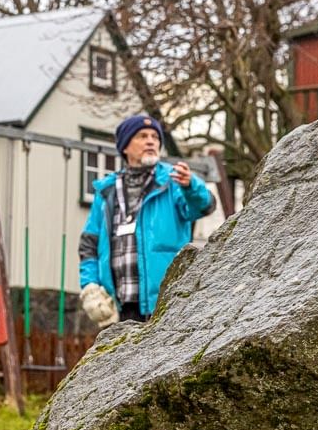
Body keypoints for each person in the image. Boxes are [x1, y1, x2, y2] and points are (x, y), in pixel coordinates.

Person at [79, 114, 216, 327]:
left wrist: (191, 186)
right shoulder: (106, 191)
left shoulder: (173, 182)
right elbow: (89, 245)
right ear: (125, 146)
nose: (151, 141)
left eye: (155, 137)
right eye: (142, 136)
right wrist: (90, 286)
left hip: (166, 302)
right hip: (119, 307)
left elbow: (204, 206)